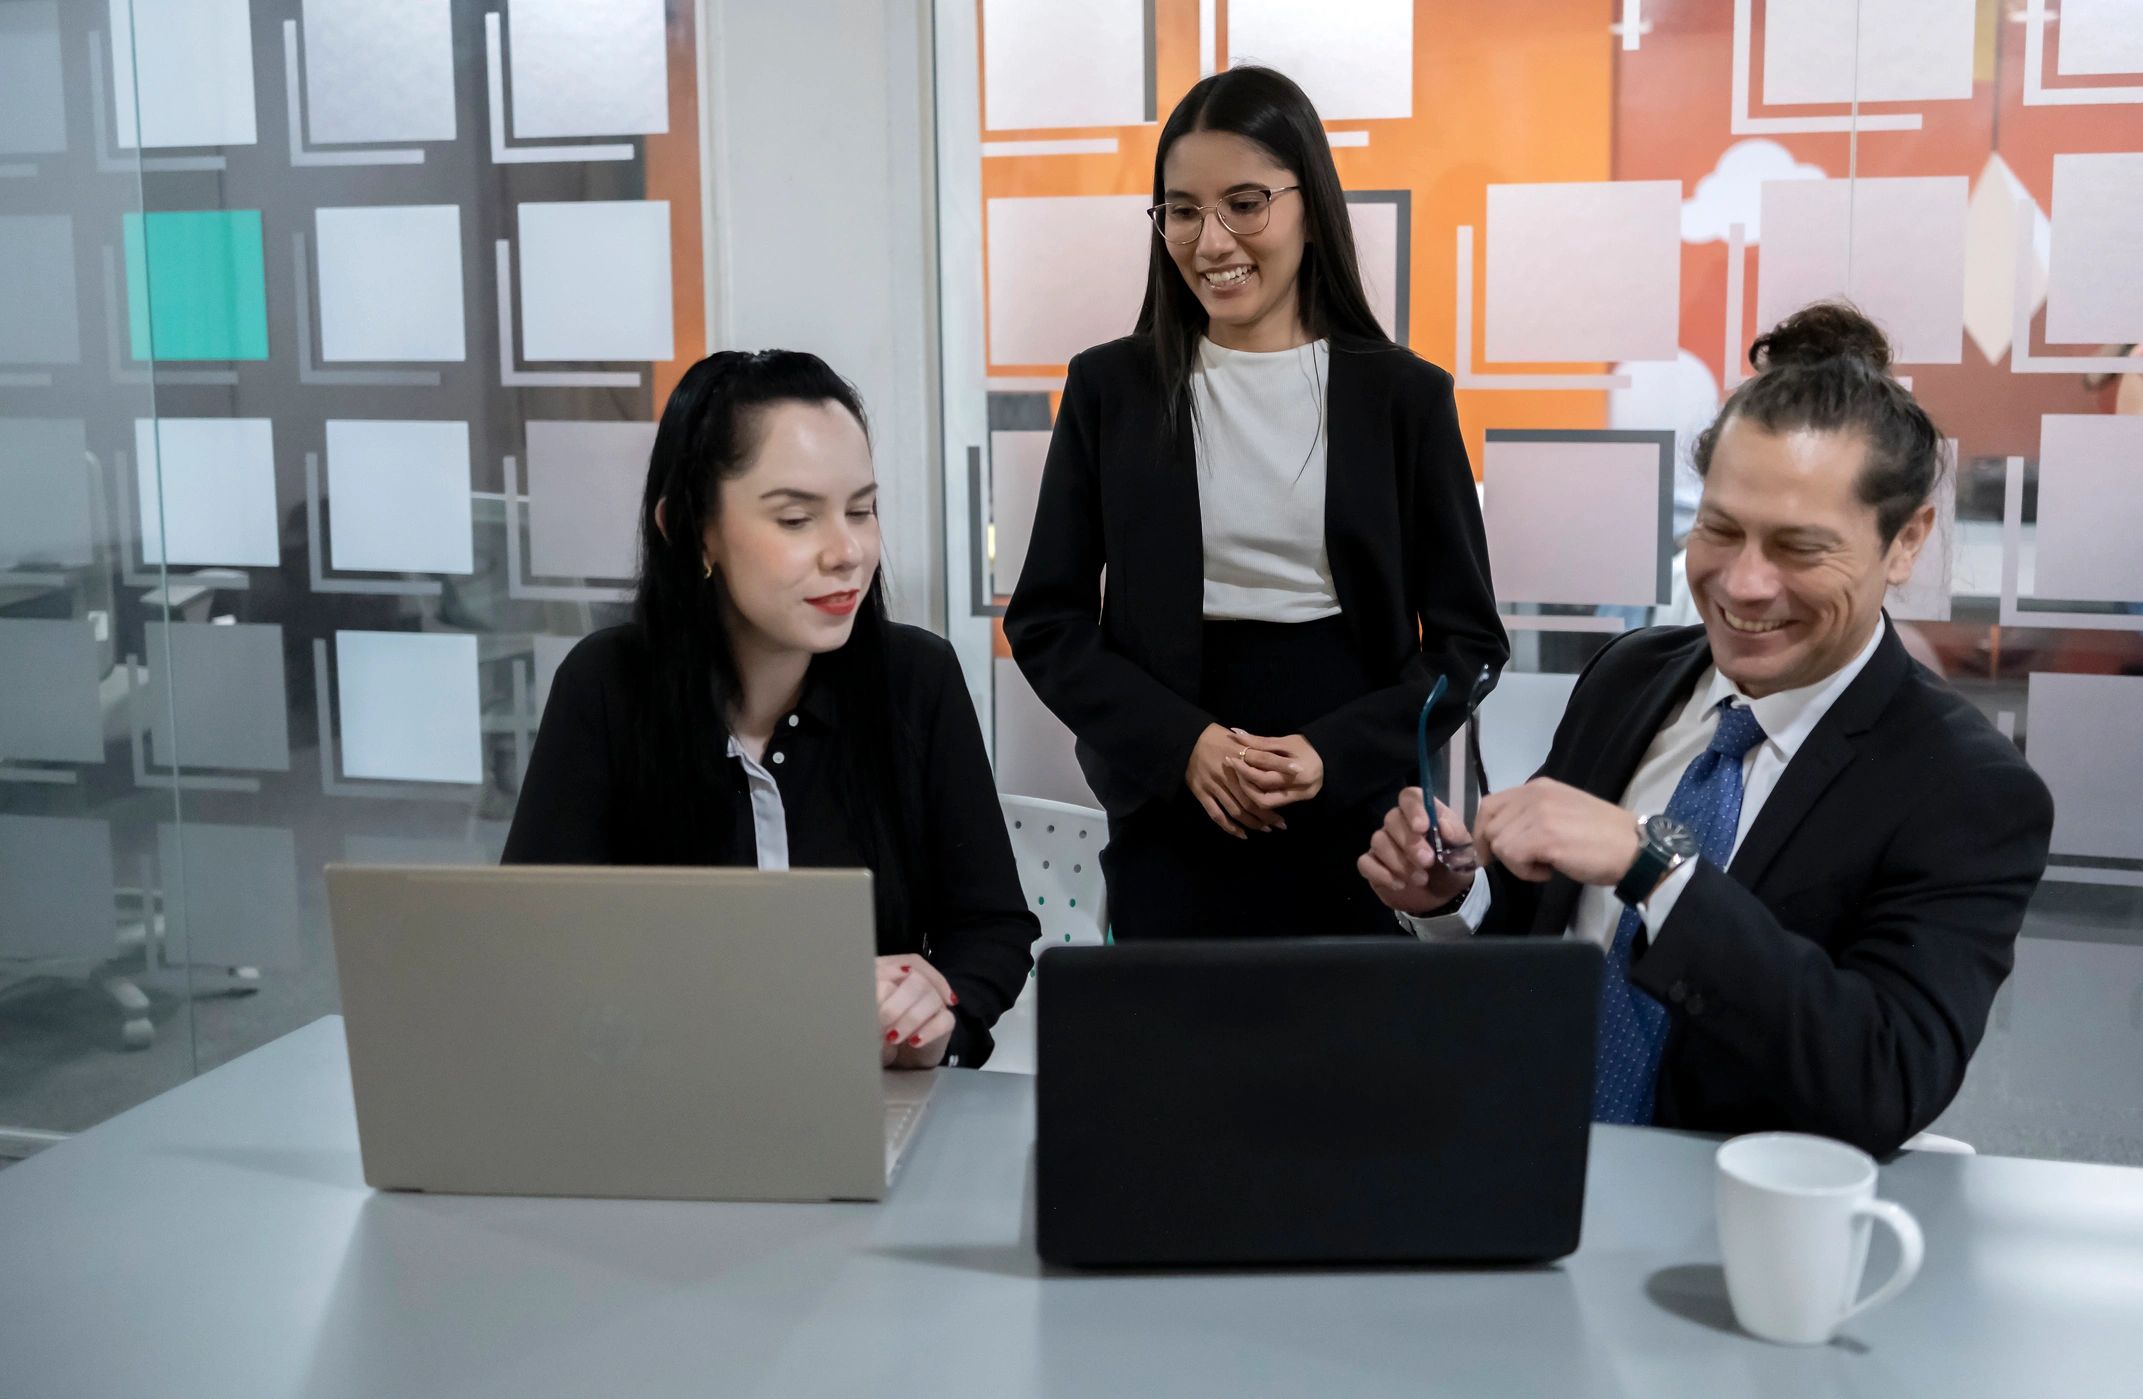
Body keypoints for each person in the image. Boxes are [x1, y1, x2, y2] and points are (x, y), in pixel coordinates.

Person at [1357, 303, 2054, 1157]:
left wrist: (1653, 868)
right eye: (1718, 530)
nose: (1742, 583)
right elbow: (1534, 944)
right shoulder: (1629, 679)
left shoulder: (1964, 787)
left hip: (1736, 1215)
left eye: (1799, 548)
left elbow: (1884, 1077)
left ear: (1904, 541)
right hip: (1534, 1175)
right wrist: (1446, 899)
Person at [1005, 66, 1507, 942]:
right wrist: (1181, 745)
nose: (1211, 242)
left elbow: (1468, 645)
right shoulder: (1111, 389)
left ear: (1310, 204)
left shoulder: (1403, 397)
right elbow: (1047, 621)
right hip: (1170, 812)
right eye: (1182, 211)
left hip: (1354, 816)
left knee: (1343, 1031)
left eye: (1244, 204)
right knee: (1173, 1032)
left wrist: (1333, 754)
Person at [503, 351, 1037, 1069]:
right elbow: (535, 946)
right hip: (660, 1091)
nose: (847, 552)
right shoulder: (606, 687)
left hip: (866, 1093)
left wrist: (940, 1019)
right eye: (796, 518)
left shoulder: (917, 679)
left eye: (861, 510)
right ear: (691, 527)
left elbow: (992, 926)